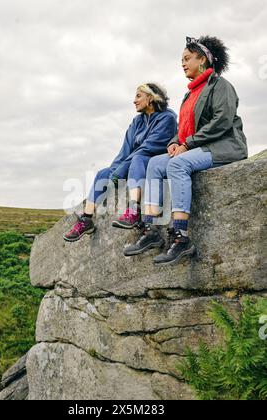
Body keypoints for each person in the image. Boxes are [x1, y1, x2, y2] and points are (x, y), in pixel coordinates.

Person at [123, 36, 248, 265]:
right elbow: (182, 128)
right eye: (181, 59)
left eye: (187, 58)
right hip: (197, 146)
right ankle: (151, 230)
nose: (182, 63)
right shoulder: (189, 94)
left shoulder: (220, 85)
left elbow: (222, 120)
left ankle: (181, 238)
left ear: (203, 60)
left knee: (177, 164)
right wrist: (174, 141)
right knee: (154, 163)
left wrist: (187, 144)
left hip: (223, 147)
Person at [63, 83, 177, 242]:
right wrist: (114, 171)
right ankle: (86, 219)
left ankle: (133, 210)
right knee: (103, 173)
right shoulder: (137, 121)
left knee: (137, 158)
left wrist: (120, 171)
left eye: (138, 96)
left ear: (150, 98)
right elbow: (125, 151)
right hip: (133, 162)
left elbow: (147, 148)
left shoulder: (168, 118)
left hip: (152, 162)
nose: (134, 101)